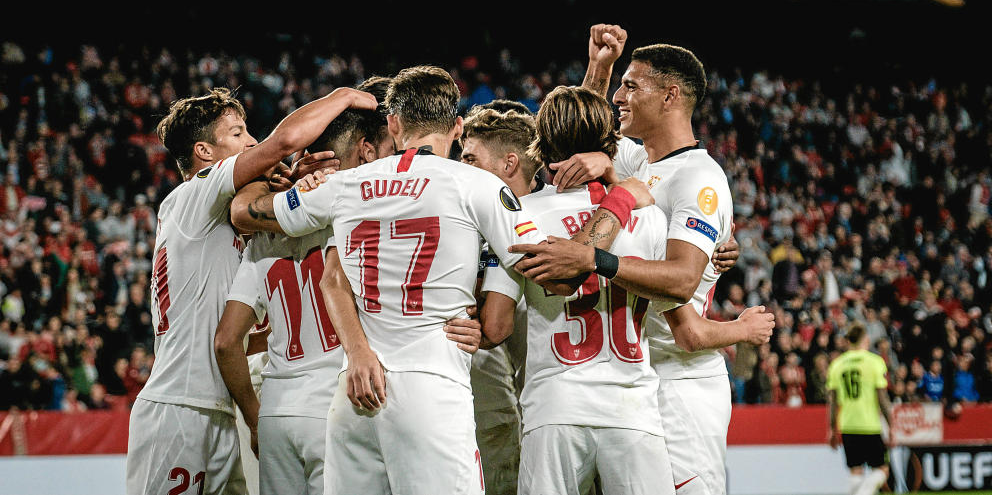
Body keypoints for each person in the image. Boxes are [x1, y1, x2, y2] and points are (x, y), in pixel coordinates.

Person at [229, 66, 550, 495]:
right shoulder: (477, 185)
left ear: (394, 124)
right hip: (432, 385)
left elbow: (250, 214)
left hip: (356, 387)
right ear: (456, 126)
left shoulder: (343, 185)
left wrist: (289, 180)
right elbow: (545, 263)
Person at [510, 28, 746, 494]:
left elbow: (681, 279)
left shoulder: (699, 177)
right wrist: (600, 66)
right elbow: (579, 130)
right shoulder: (639, 160)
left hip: (680, 378)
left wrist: (594, 258)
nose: (619, 95)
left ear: (671, 96)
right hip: (629, 371)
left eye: (631, 85)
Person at [126, 85, 375, 495]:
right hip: (180, 407)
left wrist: (294, 183)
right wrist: (343, 97)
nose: (252, 141)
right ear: (205, 153)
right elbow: (285, 141)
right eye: (238, 133)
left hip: (219, 409)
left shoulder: (220, 220)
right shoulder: (194, 193)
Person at [458, 105, 540, 495]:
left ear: (510, 164)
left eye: (470, 159)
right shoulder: (571, 213)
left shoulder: (529, 225)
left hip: (536, 409)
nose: (461, 169)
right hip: (526, 408)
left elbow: (494, 326)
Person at [826, 322, 893, 495]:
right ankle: (866, 490)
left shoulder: (837, 365)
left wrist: (833, 429)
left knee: (855, 470)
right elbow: (882, 398)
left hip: (848, 424)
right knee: (882, 470)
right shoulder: (875, 362)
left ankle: (861, 490)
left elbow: (832, 402)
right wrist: (892, 424)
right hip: (869, 423)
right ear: (866, 339)